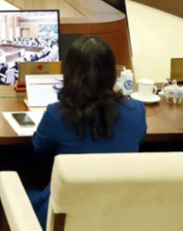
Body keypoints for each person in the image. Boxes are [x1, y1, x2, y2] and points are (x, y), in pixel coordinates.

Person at [27, 36, 146, 228]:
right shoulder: (136, 111)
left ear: (70, 72)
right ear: (112, 73)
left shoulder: (56, 114)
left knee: (25, 194)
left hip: (63, 217)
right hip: (118, 215)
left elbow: (39, 148)